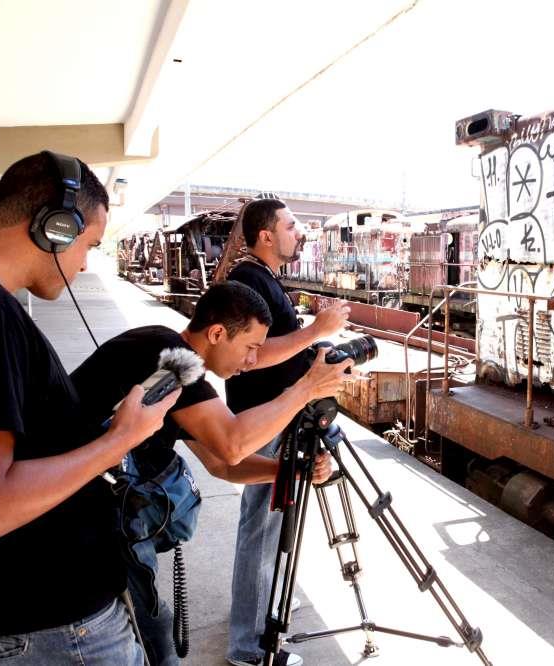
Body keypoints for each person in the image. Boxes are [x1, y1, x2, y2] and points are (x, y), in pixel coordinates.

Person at [0, 151, 180, 664]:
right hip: (50, 631)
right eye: (89, 243)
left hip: (10, 623)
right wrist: (119, 440)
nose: (86, 263)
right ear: (56, 226)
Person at [70, 280, 352, 666]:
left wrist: (291, 471)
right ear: (217, 333)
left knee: (155, 631)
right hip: (79, 528)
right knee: (152, 639)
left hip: (99, 519)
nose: (253, 361)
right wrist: (306, 388)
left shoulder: (175, 367)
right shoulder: (166, 356)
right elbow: (232, 443)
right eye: (251, 347)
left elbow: (222, 464)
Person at [224, 197, 351, 666]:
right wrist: (315, 329)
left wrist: (318, 353)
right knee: (261, 527)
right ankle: (249, 647)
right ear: (266, 236)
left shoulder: (261, 279)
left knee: (274, 524)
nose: (300, 234)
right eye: (292, 226)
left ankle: (264, 604)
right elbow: (251, 355)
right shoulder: (247, 281)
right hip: (267, 421)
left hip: (281, 416)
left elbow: (276, 350)